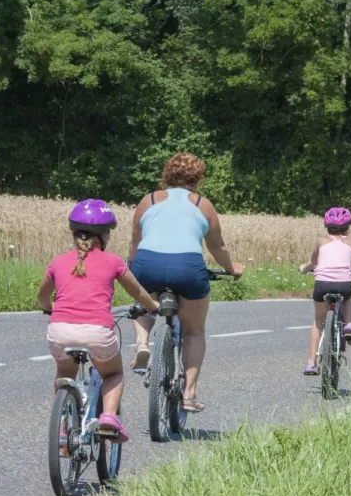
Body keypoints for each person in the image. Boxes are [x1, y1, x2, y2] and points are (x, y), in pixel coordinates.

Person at [128, 152, 244, 414]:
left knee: (144, 302)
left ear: (166, 174)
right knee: (194, 331)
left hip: (148, 263)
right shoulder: (203, 205)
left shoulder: (149, 200)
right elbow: (217, 246)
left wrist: (132, 265)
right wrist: (231, 268)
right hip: (187, 267)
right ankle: (189, 394)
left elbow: (135, 241)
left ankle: (143, 343)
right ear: (198, 178)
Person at [38, 200, 160, 444]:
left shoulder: (58, 261)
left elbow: (42, 296)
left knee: (64, 373)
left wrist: (49, 308)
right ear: (104, 236)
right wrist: (152, 306)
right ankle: (109, 417)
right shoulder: (113, 261)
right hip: (98, 333)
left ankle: (62, 428)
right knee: (113, 373)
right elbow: (137, 291)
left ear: (74, 233)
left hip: (59, 331)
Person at [299, 208, 351, 375]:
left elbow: (313, 262)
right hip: (344, 284)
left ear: (327, 227)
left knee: (318, 321)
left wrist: (303, 269)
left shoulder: (321, 241)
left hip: (322, 285)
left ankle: (311, 363)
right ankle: (349, 326)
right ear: (348, 228)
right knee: (346, 300)